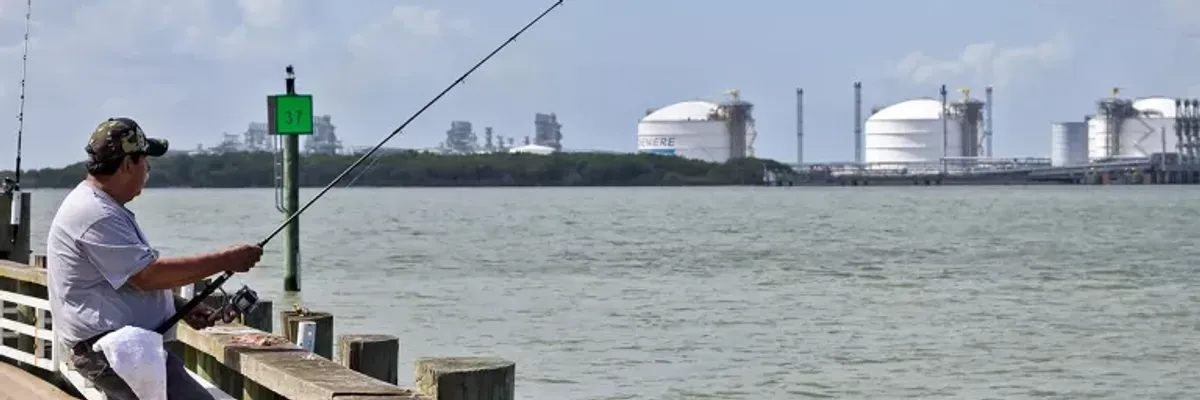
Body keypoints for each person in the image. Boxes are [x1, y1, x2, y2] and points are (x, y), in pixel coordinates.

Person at [45, 117, 264, 400]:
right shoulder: (95, 214)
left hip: (120, 350)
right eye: (145, 160)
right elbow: (147, 276)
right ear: (127, 164)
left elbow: (123, 278)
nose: (148, 168)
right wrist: (226, 260)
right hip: (114, 352)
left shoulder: (100, 206)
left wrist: (177, 306)